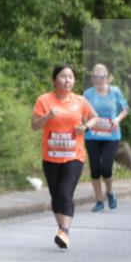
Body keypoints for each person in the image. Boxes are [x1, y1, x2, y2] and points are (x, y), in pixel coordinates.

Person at [31, 64, 99, 249]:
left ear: (74, 81)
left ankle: (65, 232)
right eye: (63, 76)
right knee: (56, 195)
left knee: (65, 193)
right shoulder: (44, 100)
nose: (67, 80)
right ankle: (62, 229)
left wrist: (85, 127)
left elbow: (94, 117)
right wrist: (48, 116)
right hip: (51, 156)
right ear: (54, 80)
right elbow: (34, 126)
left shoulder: (80, 101)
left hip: (74, 156)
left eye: (70, 77)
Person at [83, 64, 129, 212]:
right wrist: (85, 122)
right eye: (96, 77)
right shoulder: (88, 94)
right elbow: (82, 111)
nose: (99, 80)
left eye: (102, 76)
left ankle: (109, 191)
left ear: (107, 77)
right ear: (92, 78)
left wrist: (117, 119)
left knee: (106, 168)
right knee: (95, 169)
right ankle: (99, 201)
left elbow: (125, 109)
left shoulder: (115, 91)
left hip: (111, 136)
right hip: (92, 135)